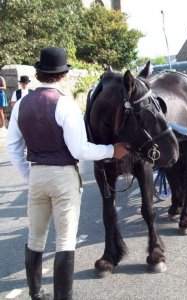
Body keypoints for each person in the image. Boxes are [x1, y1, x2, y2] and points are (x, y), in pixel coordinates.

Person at [6, 46, 129, 300]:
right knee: (65, 240)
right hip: (63, 176)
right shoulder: (65, 105)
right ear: (63, 75)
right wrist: (110, 150)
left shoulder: (20, 105)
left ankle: (36, 294)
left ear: (39, 74)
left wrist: (30, 177)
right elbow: (79, 149)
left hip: (37, 175)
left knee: (35, 237)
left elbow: (13, 147)